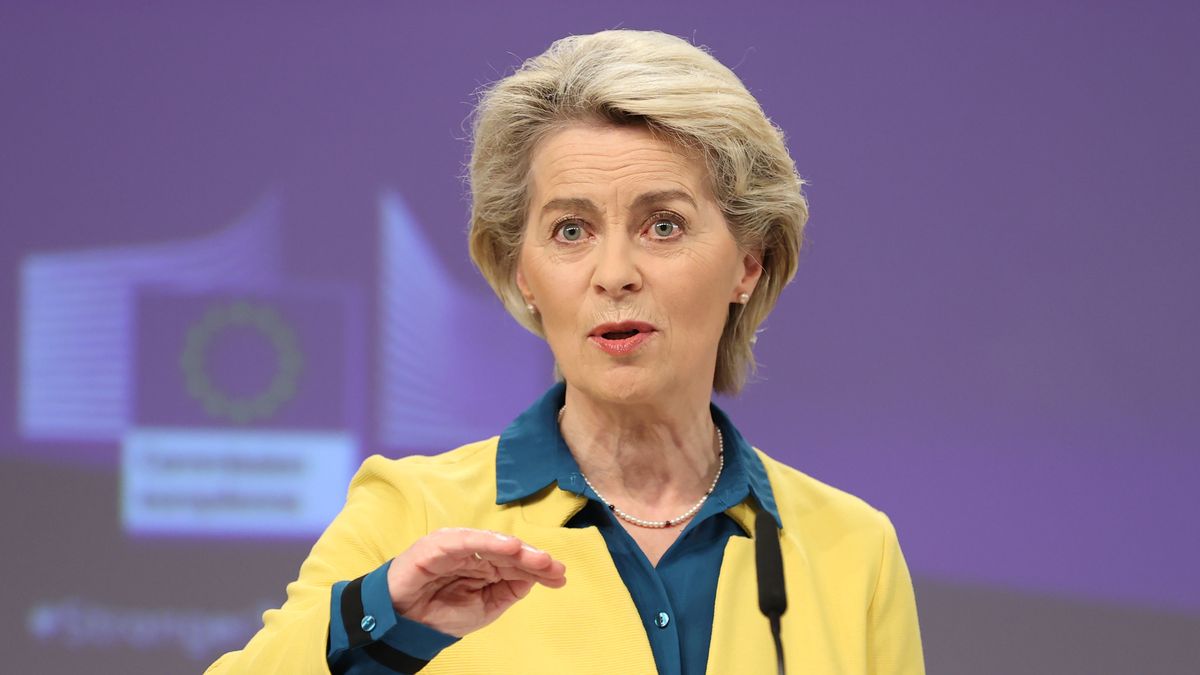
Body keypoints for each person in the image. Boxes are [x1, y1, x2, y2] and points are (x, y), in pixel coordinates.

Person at [207, 29, 925, 675]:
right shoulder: (415, 512)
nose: (614, 272)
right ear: (522, 271)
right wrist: (388, 621)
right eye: (571, 231)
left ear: (747, 262)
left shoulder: (853, 548)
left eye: (664, 225)